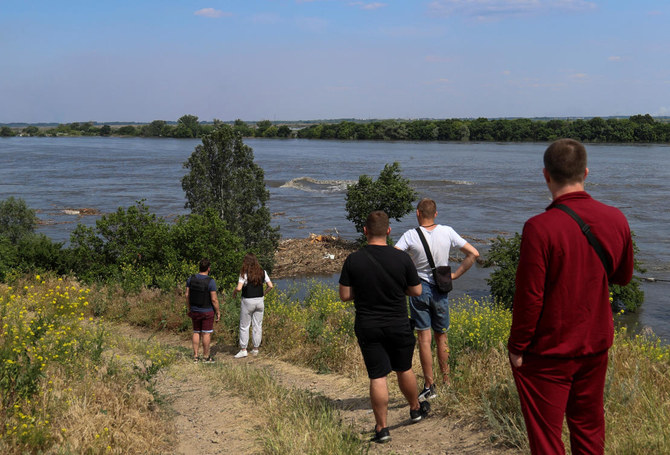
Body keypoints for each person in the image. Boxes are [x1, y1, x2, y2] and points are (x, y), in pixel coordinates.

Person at [508, 139, 634, 455]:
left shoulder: (539, 228)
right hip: (595, 344)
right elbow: (623, 276)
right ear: (586, 173)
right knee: (590, 430)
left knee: (546, 438)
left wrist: (517, 346)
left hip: (548, 351)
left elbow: (530, 296)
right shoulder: (616, 218)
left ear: (546, 175)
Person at [339, 210, 430, 444]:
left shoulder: (353, 259)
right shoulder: (402, 258)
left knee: (377, 375)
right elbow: (417, 291)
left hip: (368, 325)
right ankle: (415, 408)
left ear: (365, 231)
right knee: (404, 368)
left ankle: (382, 428)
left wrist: (364, 289)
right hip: (398, 323)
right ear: (389, 231)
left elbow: (345, 295)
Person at [395, 198, 480, 400]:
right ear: (435, 214)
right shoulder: (447, 231)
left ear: (417, 213)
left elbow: (394, 257)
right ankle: (447, 382)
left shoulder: (410, 235)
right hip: (441, 289)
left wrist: (406, 276)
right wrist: (455, 275)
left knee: (424, 339)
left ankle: (429, 385)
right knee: (442, 336)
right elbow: (473, 253)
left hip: (419, 289)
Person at [232, 253, 273, 358]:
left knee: (244, 326)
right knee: (257, 325)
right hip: (260, 301)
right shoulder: (262, 272)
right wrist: (263, 293)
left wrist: (234, 292)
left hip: (247, 301)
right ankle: (255, 349)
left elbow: (239, 288)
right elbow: (270, 286)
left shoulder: (244, 273)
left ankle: (243, 349)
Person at [186, 258, 220, 363]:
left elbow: (187, 295)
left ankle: (195, 357)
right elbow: (214, 299)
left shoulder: (191, 279)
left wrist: (189, 308)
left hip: (194, 310)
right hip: (207, 311)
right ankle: (206, 357)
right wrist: (218, 312)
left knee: (196, 332)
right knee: (206, 334)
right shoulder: (210, 281)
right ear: (208, 268)